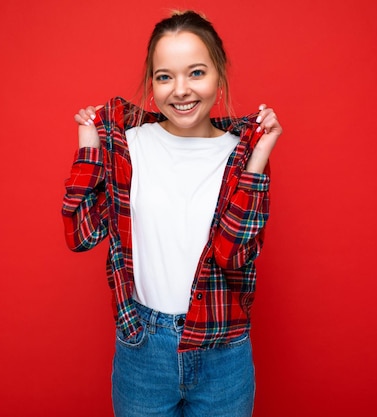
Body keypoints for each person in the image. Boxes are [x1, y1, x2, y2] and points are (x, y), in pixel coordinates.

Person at [62, 10, 282, 417]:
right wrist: (89, 148)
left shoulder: (242, 155)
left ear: (219, 75)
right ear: (152, 83)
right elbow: (82, 235)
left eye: (196, 72)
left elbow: (232, 254)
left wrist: (258, 160)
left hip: (223, 349)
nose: (180, 90)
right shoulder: (126, 144)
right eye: (165, 76)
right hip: (142, 346)